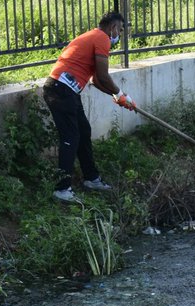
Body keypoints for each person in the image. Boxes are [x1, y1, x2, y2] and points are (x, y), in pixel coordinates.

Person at [43, 11, 137, 202]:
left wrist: (119, 97)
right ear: (112, 28)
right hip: (61, 90)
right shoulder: (101, 38)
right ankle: (62, 189)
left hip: (66, 90)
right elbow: (103, 76)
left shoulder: (92, 36)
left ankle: (91, 178)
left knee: (83, 131)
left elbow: (96, 80)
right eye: (119, 29)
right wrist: (120, 94)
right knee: (71, 136)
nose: (118, 34)